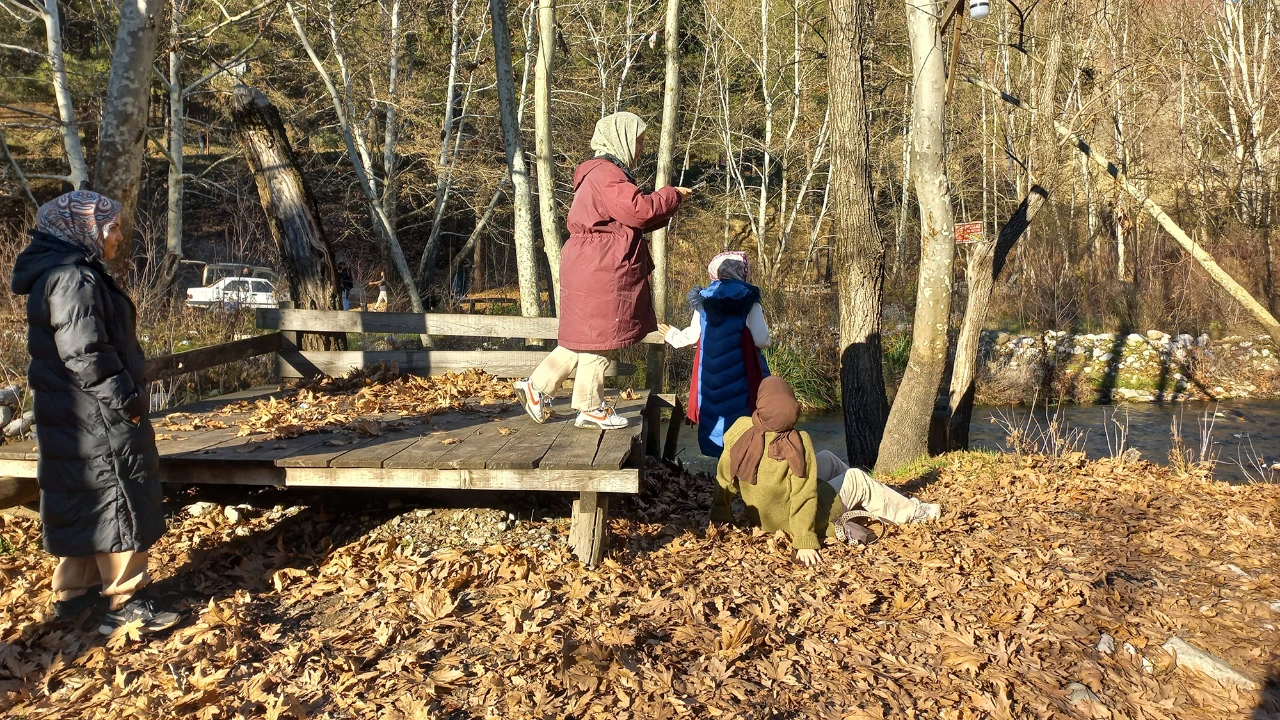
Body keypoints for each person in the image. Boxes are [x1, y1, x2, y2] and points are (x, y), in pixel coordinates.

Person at [10, 191, 181, 635]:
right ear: (83, 229)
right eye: (112, 228)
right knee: (119, 498)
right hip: (98, 413)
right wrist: (127, 401)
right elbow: (85, 352)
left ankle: (74, 596)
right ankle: (126, 604)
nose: (118, 236)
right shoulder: (74, 279)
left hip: (73, 413)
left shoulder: (58, 273)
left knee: (85, 497)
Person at [514, 111, 693, 430]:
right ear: (621, 139)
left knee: (586, 336)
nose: (640, 148)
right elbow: (637, 210)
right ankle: (590, 405)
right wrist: (671, 195)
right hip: (602, 267)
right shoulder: (608, 173)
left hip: (591, 263)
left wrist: (669, 204)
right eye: (637, 141)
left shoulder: (598, 173)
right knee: (601, 335)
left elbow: (628, 219)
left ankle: (538, 386)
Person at [713, 377, 940, 566]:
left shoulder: (740, 427)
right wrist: (804, 541)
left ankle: (872, 498)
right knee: (857, 478)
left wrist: (720, 515)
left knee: (827, 459)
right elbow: (803, 496)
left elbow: (724, 478)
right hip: (793, 520)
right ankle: (915, 512)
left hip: (764, 516)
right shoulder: (797, 441)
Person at [658, 251, 770, 456]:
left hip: (709, 376)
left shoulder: (705, 298)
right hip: (741, 375)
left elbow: (692, 336)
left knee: (717, 421)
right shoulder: (748, 298)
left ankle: (720, 479)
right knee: (742, 428)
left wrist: (671, 335)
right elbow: (762, 340)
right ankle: (740, 478)